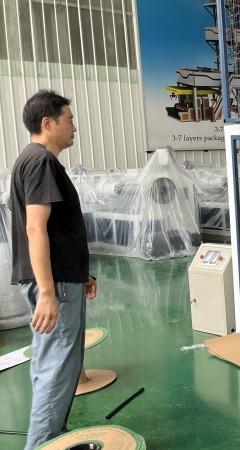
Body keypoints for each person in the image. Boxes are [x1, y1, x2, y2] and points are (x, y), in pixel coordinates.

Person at [10, 90, 98, 450]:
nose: (74, 127)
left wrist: (81, 273)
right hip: (54, 285)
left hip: (62, 279)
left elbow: (58, 229)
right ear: (48, 124)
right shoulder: (41, 162)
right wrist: (48, 291)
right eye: (69, 119)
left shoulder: (31, 161)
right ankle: (42, 444)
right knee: (58, 365)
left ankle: (52, 439)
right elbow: (35, 228)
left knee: (53, 361)